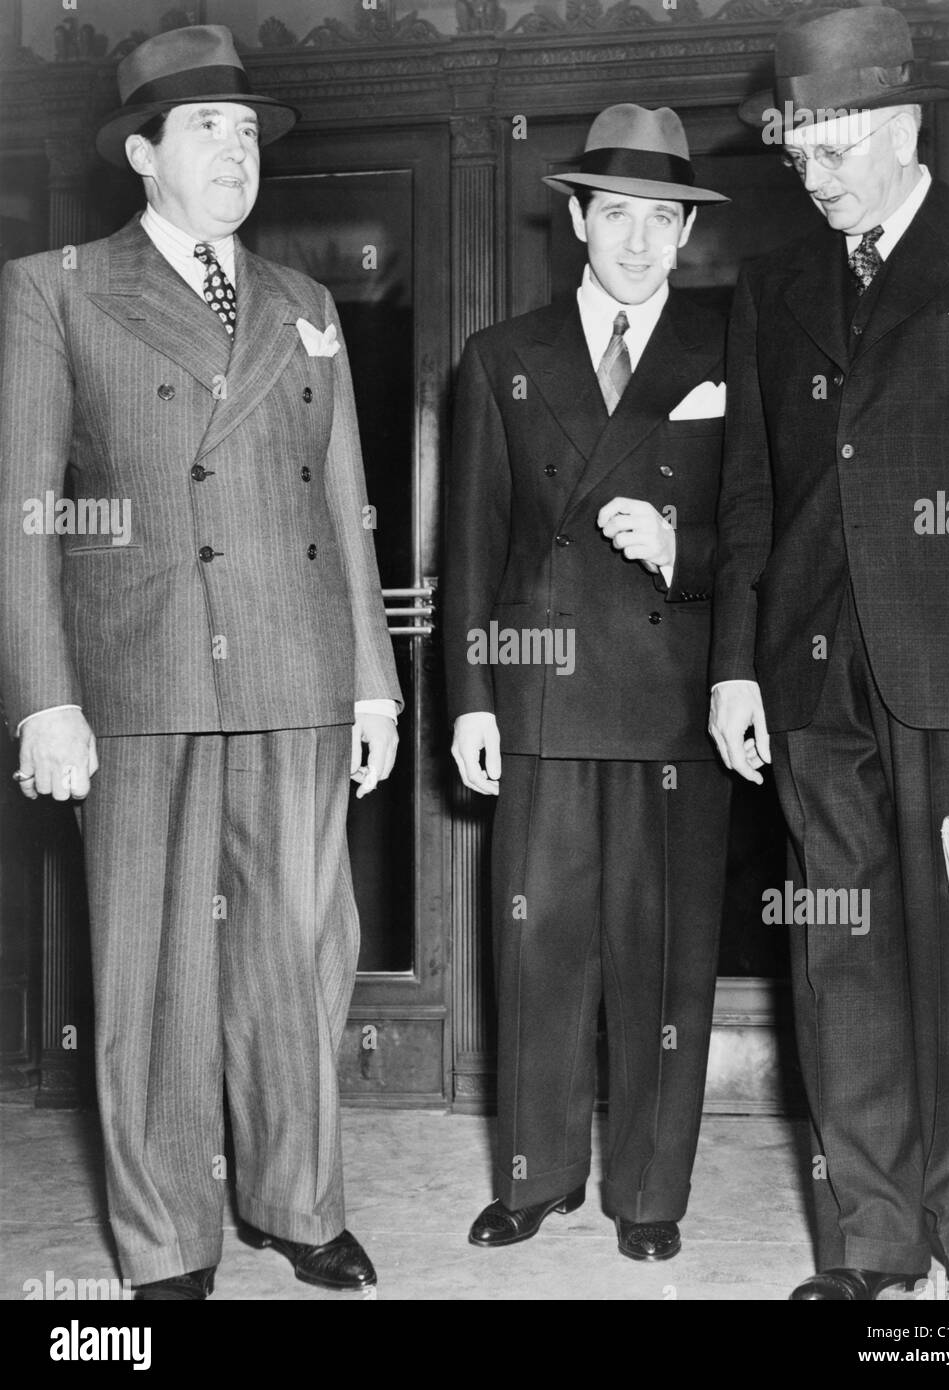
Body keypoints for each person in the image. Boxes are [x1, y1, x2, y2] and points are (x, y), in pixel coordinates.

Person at [0, 25, 402, 1300]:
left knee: (298, 951)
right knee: (154, 970)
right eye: (207, 132)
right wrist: (45, 697)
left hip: (294, 667)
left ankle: (298, 1201)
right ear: (140, 155)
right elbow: (25, 508)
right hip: (141, 675)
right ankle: (170, 1240)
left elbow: (344, 507)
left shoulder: (306, 303)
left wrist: (375, 681)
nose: (235, 154)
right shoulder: (54, 288)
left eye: (247, 135)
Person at [709, 6, 949, 1301]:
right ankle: (865, 1240)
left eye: (830, 145)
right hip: (807, 668)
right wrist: (735, 663)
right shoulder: (767, 287)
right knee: (836, 941)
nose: (808, 172)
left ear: (901, 126)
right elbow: (748, 494)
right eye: (795, 151)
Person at [443, 104, 732, 1262]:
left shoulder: (730, 350)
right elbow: (467, 547)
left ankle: (649, 1195)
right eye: (616, 214)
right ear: (575, 219)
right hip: (540, 695)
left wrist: (682, 541)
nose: (638, 241)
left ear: (681, 231)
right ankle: (536, 1175)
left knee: (663, 960)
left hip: (677, 697)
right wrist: (467, 698)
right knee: (538, 944)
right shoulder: (501, 358)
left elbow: (766, 525)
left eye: (660, 219)